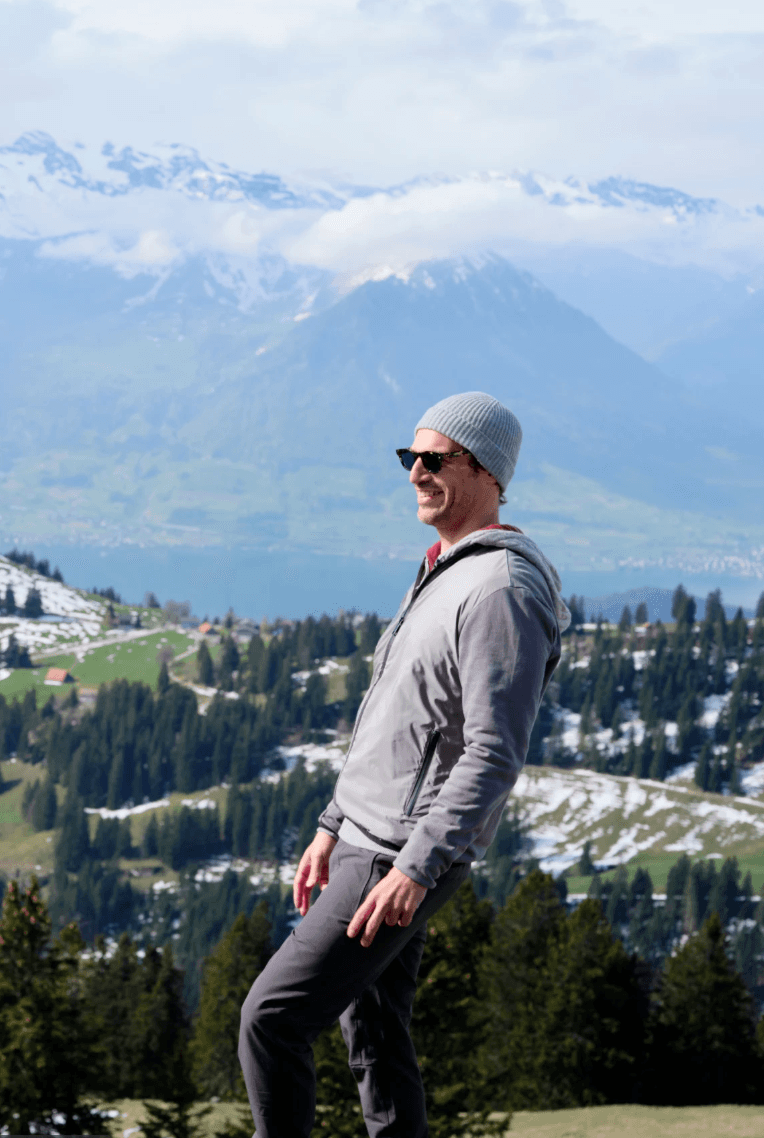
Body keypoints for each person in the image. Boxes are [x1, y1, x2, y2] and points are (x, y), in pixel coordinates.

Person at [238, 392, 570, 1138]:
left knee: (271, 1019)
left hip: (398, 851)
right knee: (376, 1035)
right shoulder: (447, 569)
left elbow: (493, 752)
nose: (416, 473)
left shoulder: (501, 590)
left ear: (487, 472)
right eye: (409, 457)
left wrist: (415, 868)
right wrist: (332, 823)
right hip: (373, 838)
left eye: (435, 459)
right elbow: (396, 715)